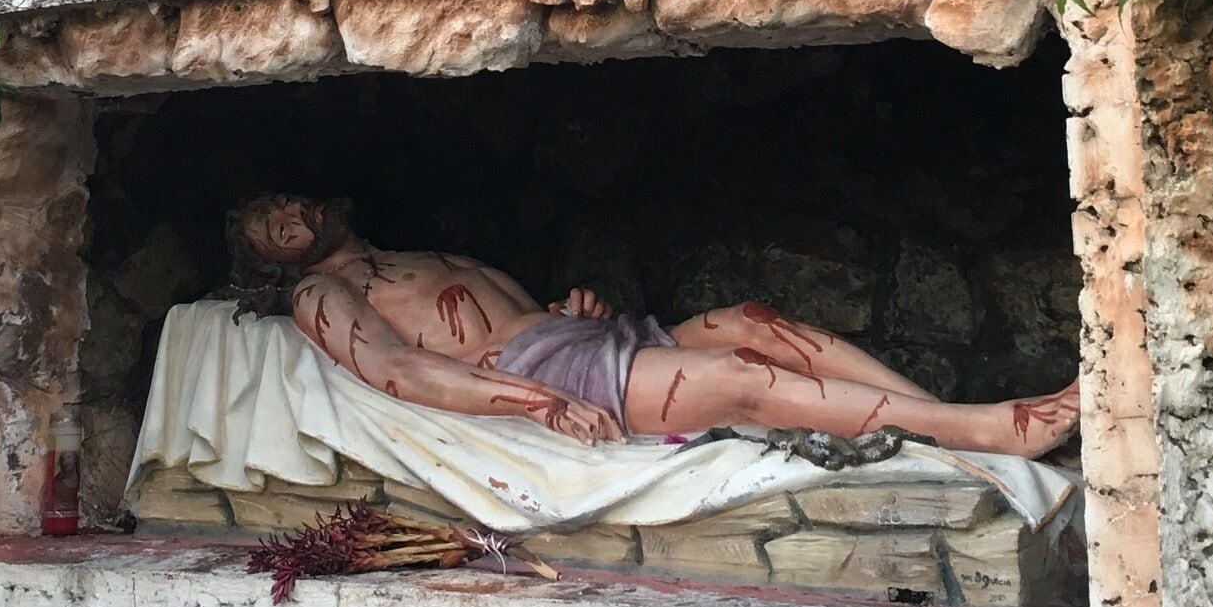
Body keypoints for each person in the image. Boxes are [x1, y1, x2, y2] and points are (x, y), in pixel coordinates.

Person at [231, 192, 1081, 461]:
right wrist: (533, 403)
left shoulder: (413, 255)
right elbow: (403, 374)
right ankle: (997, 432)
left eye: (281, 200)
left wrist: (574, 311)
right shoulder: (320, 298)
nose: (282, 215)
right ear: (268, 263)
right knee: (746, 381)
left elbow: (523, 314)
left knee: (757, 323)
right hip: (555, 378)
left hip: (583, 344)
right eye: (263, 226)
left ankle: (942, 433)